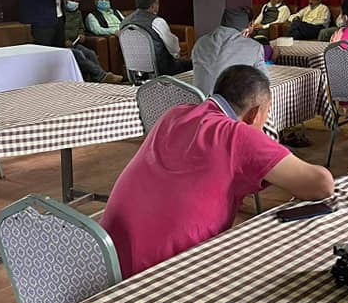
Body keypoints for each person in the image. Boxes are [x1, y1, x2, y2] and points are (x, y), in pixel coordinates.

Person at [100, 65, 335, 277]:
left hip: (109, 261)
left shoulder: (174, 114)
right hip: (161, 274)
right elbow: (322, 184)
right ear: (254, 113)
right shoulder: (238, 135)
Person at [192, 7, 268, 96]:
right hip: (228, 102)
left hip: (199, 100)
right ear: (249, 25)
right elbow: (264, 79)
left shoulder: (200, 42)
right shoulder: (254, 47)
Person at [119, 0, 192, 75]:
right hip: (162, 70)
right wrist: (176, 56)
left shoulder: (124, 23)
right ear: (153, 5)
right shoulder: (157, 22)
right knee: (193, 64)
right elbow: (174, 48)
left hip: (136, 72)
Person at [63, 0, 123, 84]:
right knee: (79, 54)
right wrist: (64, 41)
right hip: (63, 44)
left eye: (76, 1)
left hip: (75, 43)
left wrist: (81, 34)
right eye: (72, 0)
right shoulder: (61, 15)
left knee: (91, 53)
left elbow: (81, 28)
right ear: (65, 0)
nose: (74, 3)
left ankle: (98, 78)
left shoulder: (78, 13)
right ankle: (102, 76)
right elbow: (97, 30)